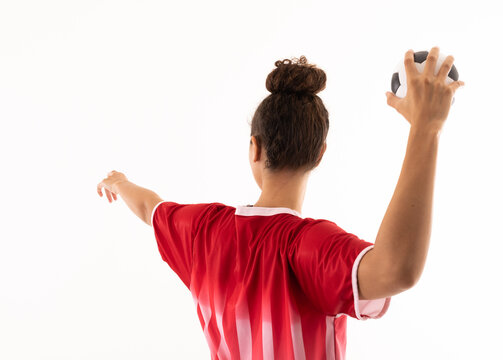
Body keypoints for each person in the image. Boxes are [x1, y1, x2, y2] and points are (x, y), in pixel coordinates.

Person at [97, 46, 465, 360]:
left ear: (254, 148)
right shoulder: (311, 248)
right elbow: (396, 269)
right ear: (319, 155)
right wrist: (425, 129)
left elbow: (150, 207)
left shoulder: (202, 230)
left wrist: (121, 182)